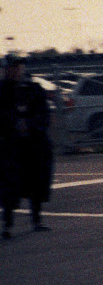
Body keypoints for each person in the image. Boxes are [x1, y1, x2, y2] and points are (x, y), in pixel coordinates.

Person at [1, 54, 55, 238]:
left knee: (36, 181)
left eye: (18, 67)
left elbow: (44, 114)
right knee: (9, 185)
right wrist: (14, 124)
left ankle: (37, 220)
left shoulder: (34, 89)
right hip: (10, 145)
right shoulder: (2, 90)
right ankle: (7, 225)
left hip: (34, 143)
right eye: (11, 67)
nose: (15, 71)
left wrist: (30, 125)